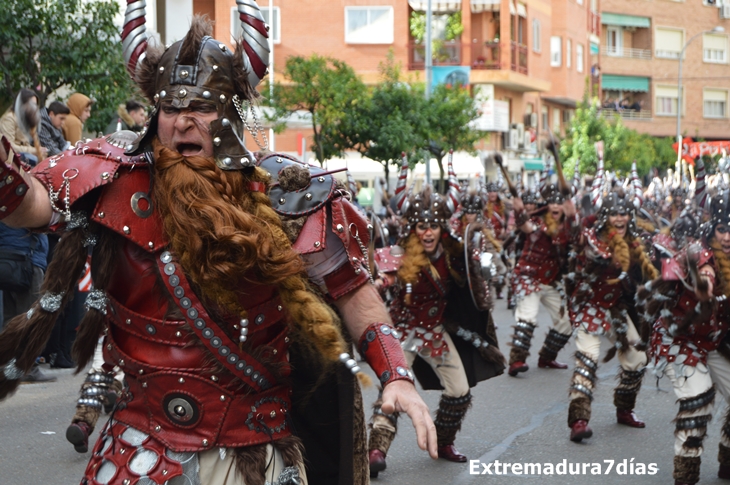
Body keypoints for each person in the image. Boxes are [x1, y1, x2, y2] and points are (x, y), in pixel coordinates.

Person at [0, 13, 436, 485]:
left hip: (253, 451)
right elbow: (30, 206)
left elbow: (355, 295)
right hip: (138, 449)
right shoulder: (111, 177)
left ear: (228, 115)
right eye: (170, 107)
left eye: (202, 107)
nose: (183, 120)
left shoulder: (287, 193)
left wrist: (396, 376)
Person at [367, 159, 505, 477]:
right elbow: (383, 277)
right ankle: (376, 450)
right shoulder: (400, 255)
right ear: (413, 229)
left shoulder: (455, 253)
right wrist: (378, 284)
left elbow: (475, 279)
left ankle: (443, 441)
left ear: (442, 227)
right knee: (393, 388)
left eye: (433, 226)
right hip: (403, 332)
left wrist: (485, 271)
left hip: (436, 332)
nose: (428, 232)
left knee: (459, 390)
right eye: (421, 226)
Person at [640, 161, 730, 485]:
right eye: (722, 229)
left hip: (715, 340)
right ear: (711, 229)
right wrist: (703, 282)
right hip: (678, 337)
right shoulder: (697, 251)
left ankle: (727, 458)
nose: (728, 236)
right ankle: (685, 477)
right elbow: (696, 265)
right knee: (697, 401)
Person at [566, 186, 658, 443]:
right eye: (614, 214)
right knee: (587, 361)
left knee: (637, 360)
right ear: (605, 216)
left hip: (615, 309)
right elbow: (579, 242)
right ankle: (579, 421)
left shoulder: (637, 241)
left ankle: (624, 409)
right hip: (589, 307)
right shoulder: (591, 238)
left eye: (624, 214)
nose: (619, 219)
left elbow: (650, 270)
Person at [506, 182, 575, 376]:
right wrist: (518, 205)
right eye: (551, 202)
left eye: (559, 202)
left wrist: (574, 216)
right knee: (527, 315)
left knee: (566, 322)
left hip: (551, 281)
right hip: (528, 278)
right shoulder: (536, 222)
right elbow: (524, 224)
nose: (555, 206)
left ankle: (547, 357)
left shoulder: (569, 227)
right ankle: (517, 360)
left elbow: (579, 242)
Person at [0, 89, 46, 165]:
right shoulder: (9, 118)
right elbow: (9, 147)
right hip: (13, 159)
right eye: (32, 104)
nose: (34, 108)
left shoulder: (24, 119)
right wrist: (34, 150)